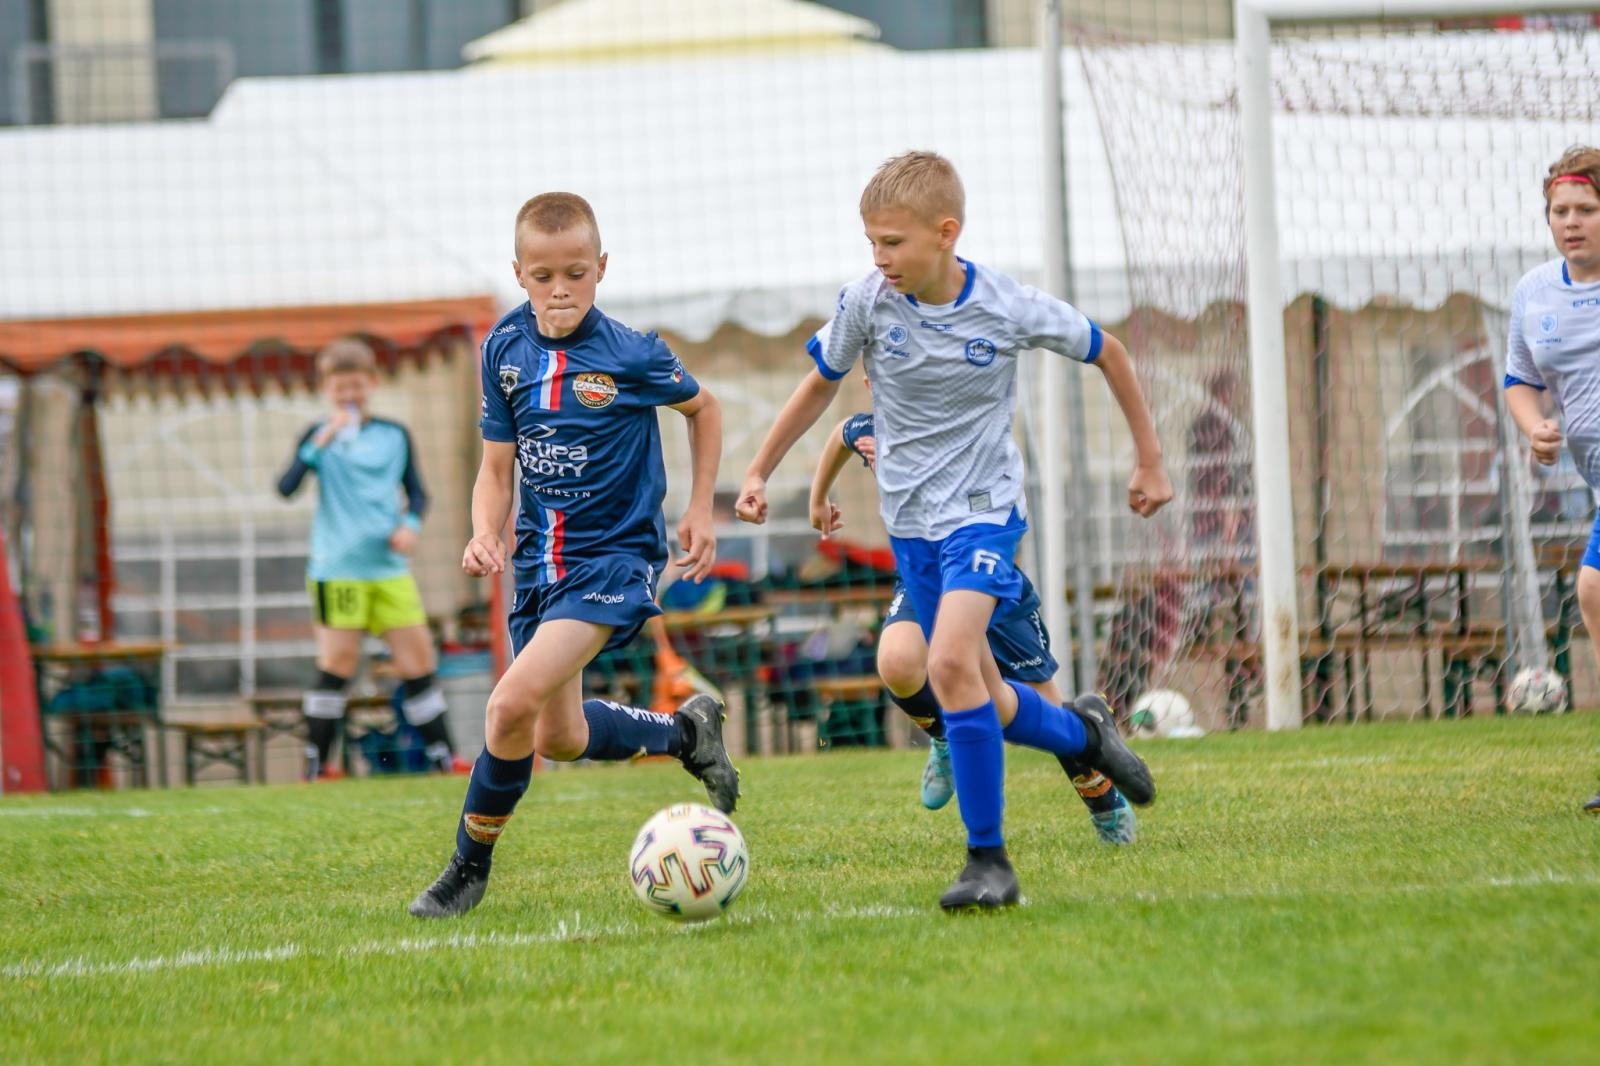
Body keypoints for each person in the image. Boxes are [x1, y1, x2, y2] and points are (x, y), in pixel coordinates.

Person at [738, 151, 1172, 910]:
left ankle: (988, 862)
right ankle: (1085, 735)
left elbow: (1110, 352)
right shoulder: (867, 302)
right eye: (871, 242)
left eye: (893, 242)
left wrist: (1150, 461)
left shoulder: (1005, 304)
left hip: (984, 515)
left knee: (946, 665)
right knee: (983, 696)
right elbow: (820, 388)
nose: (880, 258)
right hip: (913, 531)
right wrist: (759, 471)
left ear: (946, 233)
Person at [409, 192, 736, 918]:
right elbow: (496, 469)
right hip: (538, 566)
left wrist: (698, 509)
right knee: (561, 736)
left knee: (508, 706)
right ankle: (687, 732)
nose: (561, 290)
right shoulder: (503, 348)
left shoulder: (631, 352)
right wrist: (484, 531)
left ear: (602, 268)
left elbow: (705, 409)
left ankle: (465, 871)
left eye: (576, 274)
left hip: (613, 561)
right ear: (519, 274)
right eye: (544, 276)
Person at [812, 407, 1135, 844]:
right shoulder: (878, 425)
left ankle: (1101, 797)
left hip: (985, 573)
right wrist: (818, 497)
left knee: (1045, 708)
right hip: (926, 578)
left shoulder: (963, 415)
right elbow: (841, 432)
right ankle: (945, 736)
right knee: (897, 660)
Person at [277, 338, 467, 780]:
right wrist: (319, 444)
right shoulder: (316, 436)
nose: (349, 395)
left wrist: (410, 526)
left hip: (389, 571)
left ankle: (446, 760)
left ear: (372, 384)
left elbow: (418, 493)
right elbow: (285, 488)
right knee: (338, 665)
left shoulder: (394, 434)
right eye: (340, 387)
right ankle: (316, 767)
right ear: (325, 388)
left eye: (357, 386)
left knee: (418, 664)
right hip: (337, 571)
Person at [1501, 145, 1600, 817]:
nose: (1571, 222)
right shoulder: (1534, 292)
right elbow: (1519, 379)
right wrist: (1535, 426)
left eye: (1586, 209)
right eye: (1560, 211)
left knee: (1594, 588)